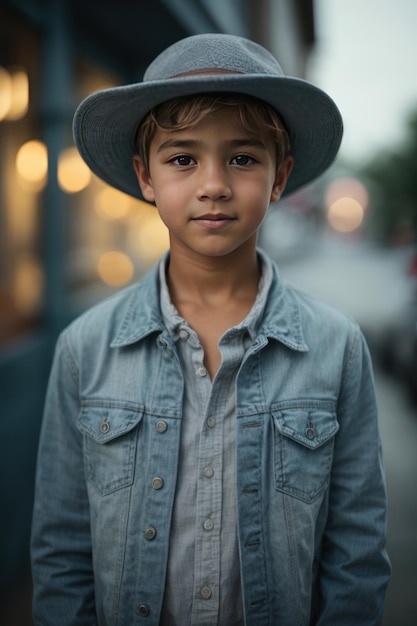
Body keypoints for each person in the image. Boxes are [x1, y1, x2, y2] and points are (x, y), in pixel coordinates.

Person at [31, 33, 391, 625]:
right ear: (146, 178)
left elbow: (356, 556)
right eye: (182, 159)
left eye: (244, 158)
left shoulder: (337, 347)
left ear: (280, 178)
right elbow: (62, 552)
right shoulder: (85, 348)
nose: (214, 183)